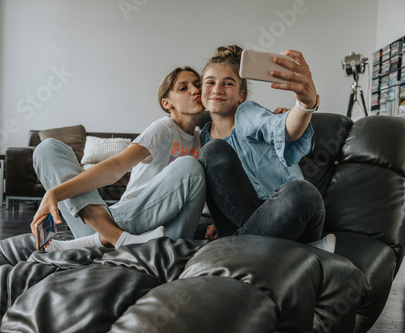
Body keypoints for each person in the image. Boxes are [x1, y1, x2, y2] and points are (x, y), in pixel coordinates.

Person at [31, 66, 206, 252]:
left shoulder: (202, 139)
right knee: (47, 148)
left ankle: (98, 241)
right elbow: (116, 167)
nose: (195, 90)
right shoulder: (165, 128)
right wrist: (54, 193)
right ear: (167, 103)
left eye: (197, 84)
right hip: (116, 220)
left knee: (191, 167)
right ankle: (115, 236)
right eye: (183, 88)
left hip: (161, 231)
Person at [198, 45, 335, 252]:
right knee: (212, 150)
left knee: (302, 191)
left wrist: (305, 103)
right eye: (210, 82)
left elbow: (286, 129)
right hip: (241, 222)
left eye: (228, 83)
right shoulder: (202, 138)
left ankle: (234, 250)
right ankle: (300, 251)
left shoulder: (247, 114)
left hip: (288, 213)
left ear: (241, 95)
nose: (217, 89)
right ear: (201, 91)